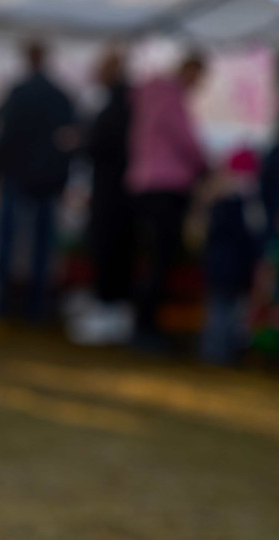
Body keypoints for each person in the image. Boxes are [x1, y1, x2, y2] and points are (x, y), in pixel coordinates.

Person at [125, 52, 208, 349]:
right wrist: (206, 166)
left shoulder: (147, 95)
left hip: (141, 183)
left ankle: (140, 324)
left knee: (147, 258)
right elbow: (186, 141)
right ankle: (147, 328)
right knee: (160, 260)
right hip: (166, 186)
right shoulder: (172, 98)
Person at [0, 40, 76, 321]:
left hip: (18, 175)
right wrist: (62, 179)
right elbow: (68, 142)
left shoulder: (20, 93)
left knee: (9, 241)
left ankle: (2, 301)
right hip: (46, 179)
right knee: (40, 247)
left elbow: (4, 135)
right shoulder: (60, 96)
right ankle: (35, 305)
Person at [67, 49, 135, 345]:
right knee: (110, 252)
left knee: (109, 251)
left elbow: (104, 145)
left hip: (113, 192)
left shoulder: (120, 104)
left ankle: (108, 314)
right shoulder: (121, 101)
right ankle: (108, 310)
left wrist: (82, 141)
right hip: (115, 190)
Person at [200, 148, 265, 364]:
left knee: (228, 314)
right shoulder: (236, 206)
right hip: (228, 270)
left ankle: (223, 351)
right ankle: (216, 353)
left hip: (231, 270)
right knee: (221, 313)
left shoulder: (230, 205)